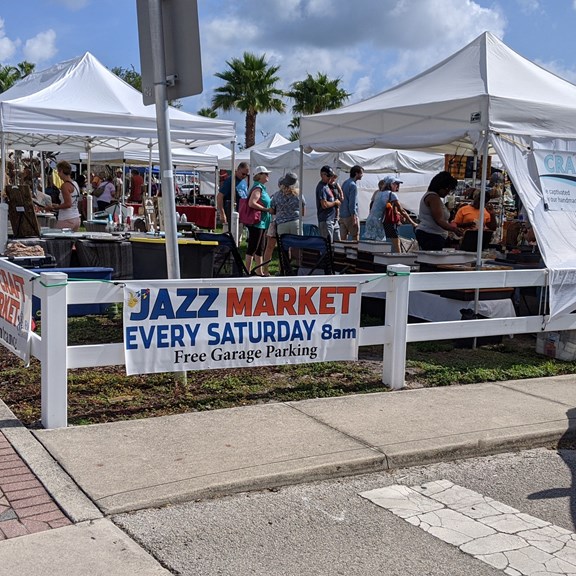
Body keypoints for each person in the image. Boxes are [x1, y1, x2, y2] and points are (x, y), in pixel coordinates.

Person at [261, 172, 306, 276]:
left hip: (281, 224)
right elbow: (303, 212)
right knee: (297, 248)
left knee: (283, 249)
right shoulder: (299, 195)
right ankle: (298, 270)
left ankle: (283, 270)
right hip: (296, 223)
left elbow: (272, 210)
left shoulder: (276, 195)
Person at [368, 176, 418, 252]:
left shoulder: (378, 193)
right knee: (395, 239)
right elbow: (402, 210)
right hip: (381, 221)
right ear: (391, 185)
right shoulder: (391, 194)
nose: (397, 186)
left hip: (371, 220)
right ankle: (399, 258)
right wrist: (413, 223)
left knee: (375, 245)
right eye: (396, 184)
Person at [415, 171, 463, 251]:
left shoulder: (434, 197)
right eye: (447, 189)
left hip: (433, 234)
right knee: (434, 261)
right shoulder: (433, 197)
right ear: (441, 187)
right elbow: (439, 220)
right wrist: (454, 229)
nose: (448, 192)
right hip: (431, 235)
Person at [245, 166, 273, 275]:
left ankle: (259, 271)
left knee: (260, 248)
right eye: (266, 174)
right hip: (257, 223)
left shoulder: (260, 187)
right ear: (260, 175)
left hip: (262, 223)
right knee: (253, 247)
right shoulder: (258, 188)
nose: (268, 176)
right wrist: (266, 209)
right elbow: (252, 203)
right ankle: (247, 271)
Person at [47, 160, 81, 231]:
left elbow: (68, 204)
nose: (58, 174)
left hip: (66, 218)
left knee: (59, 240)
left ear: (61, 171)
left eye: (58, 172)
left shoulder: (65, 186)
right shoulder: (75, 183)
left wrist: (56, 207)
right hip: (76, 217)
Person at [217, 162, 250, 229]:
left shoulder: (244, 182)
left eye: (246, 175)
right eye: (243, 174)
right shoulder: (230, 180)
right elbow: (220, 196)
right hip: (231, 211)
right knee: (231, 233)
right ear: (238, 170)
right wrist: (222, 213)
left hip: (241, 213)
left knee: (239, 234)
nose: (244, 176)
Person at [316, 165, 341, 241]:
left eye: (330, 176)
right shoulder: (321, 187)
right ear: (322, 174)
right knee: (328, 245)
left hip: (333, 219)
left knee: (338, 244)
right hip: (325, 220)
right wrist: (335, 203)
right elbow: (324, 204)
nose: (330, 178)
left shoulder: (327, 185)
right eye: (328, 176)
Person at [339, 165, 363, 241]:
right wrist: (354, 217)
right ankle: (354, 252)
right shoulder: (353, 185)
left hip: (342, 214)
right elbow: (352, 203)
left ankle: (342, 253)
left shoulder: (345, 183)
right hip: (350, 215)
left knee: (343, 239)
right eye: (361, 173)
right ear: (356, 173)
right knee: (355, 237)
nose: (362, 175)